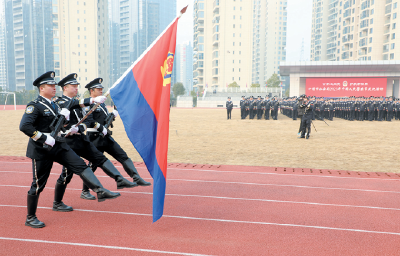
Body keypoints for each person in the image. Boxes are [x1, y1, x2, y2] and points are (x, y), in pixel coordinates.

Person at [19, 71, 120, 228]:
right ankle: (30, 217)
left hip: (58, 144)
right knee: (39, 184)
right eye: (51, 85)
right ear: (42, 88)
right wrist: (45, 138)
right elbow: (25, 126)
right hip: (41, 148)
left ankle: (99, 190)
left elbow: (75, 103)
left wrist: (91, 102)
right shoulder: (35, 106)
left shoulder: (54, 104)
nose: (54, 88)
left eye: (54, 85)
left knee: (79, 164)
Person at [53, 74, 137, 206]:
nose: (76, 89)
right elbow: (67, 109)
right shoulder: (59, 102)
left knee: (99, 158)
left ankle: (118, 179)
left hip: (82, 139)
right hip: (69, 143)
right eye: (73, 86)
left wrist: (79, 127)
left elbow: (88, 121)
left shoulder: (78, 102)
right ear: (65, 88)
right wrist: (91, 101)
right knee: (66, 175)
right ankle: (57, 202)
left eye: (77, 86)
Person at [80, 78, 151, 199]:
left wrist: (113, 114)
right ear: (92, 91)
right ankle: (85, 191)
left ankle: (136, 177)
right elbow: (89, 121)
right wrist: (101, 127)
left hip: (106, 137)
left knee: (122, 155)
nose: (101, 90)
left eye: (101, 88)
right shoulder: (88, 104)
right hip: (94, 138)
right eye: (98, 89)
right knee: (93, 165)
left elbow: (104, 118)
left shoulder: (101, 103)